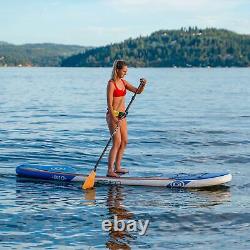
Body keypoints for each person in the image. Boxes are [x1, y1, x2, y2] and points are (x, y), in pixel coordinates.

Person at [106, 60, 147, 177]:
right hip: (112, 115)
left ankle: (117, 167)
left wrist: (143, 84)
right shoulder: (111, 84)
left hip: (122, 116)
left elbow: (137, 91)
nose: (125, 73)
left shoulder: (123, 83)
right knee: (117, 142)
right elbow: (109, 103)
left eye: (126, 71)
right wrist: (114, 119)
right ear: (117, 70)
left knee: (124, 141)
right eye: (124, 71)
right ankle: (110, 170)